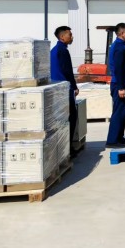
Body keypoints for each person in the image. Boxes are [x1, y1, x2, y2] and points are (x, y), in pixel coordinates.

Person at [50, 26, 79, 156]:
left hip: (56, 88)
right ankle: (67, 149)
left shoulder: (54, 50)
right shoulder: (62, 51)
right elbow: (67, 71)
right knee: (71, 117)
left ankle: (63, 148)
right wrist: (74, 86)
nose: (72, 37)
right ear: (62, 37)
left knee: (61, 118)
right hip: (64, 89)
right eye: (69, 35)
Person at [106, 23, 125, 148]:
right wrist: (121, 87)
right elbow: (118, 69)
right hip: (119, 84)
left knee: (122, 113)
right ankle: (112, 140)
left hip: (123, 83)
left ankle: (119, 137)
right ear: (122, 33)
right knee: (118, 112)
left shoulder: (122, 46)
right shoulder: (118, 48)